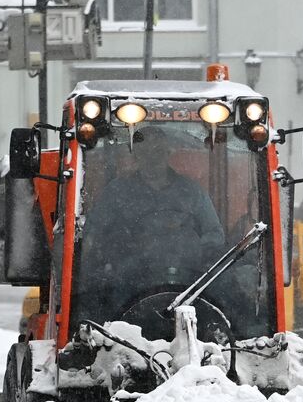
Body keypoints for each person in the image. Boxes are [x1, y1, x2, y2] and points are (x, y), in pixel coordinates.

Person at [78, 131, 228, 324]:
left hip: (188, 281)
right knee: (98, 309)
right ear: (136, 155)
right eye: (145, 152)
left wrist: (192, 252)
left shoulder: (191, 192)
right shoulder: (117, 193)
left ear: (168, 153)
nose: (152, 158)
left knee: (227, 298)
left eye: (158, 151)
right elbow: (94, 234)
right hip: (128, 282)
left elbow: (214, 235)